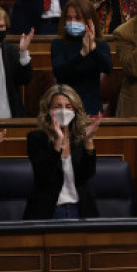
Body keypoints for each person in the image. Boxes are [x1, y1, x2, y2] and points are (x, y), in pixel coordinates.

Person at [25, 84, 100, 219]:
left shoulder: (79, 137)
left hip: (79, 209)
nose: (63, 111)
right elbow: (44, 176)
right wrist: (58, 142)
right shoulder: (37, 138)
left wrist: (88, 141)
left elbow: (86, 175)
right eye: (57, 106)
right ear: (48, 110)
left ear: (75, 110)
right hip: (49, 211)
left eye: (68, 106)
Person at [51, 0, 113, 116]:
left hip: (91, 106)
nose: (73, 22)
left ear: (89, 21)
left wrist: (93, 48)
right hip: (66, 108)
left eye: (78, 18)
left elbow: (107, 68)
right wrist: (82, 54)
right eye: (69, 18)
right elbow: (59, 72)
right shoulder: (58, 44)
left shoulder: (100, 44)